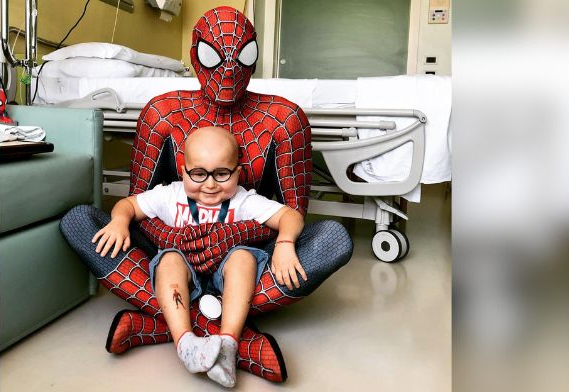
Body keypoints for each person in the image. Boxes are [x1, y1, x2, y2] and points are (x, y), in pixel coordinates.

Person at [60, 6, 353, 383]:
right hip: (173, 253)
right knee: (79, 221)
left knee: (334, 240)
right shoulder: (161, 113)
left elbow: (292, 213)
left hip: (247, 259)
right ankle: (230, 337)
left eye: (243, 56)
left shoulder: (285, 119)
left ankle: (167, 326)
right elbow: (136, 210)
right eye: (214, 57)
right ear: (196, 53)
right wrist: (176, 238)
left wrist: (231, 236)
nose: (229, 69)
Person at [91, 127, 305, 387]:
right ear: (183, 172)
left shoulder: (242, 200)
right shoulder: (171, 194)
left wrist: (284, 243)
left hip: (225, 279)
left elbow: (290, 216)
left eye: (222, 174)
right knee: (168, 259)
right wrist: (119, 222)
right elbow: (128, 205)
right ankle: (186, 343)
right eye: (199, 174)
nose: (210, 184)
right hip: (183, 277)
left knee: (243, 258)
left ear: (238, 173)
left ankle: (228, 344)